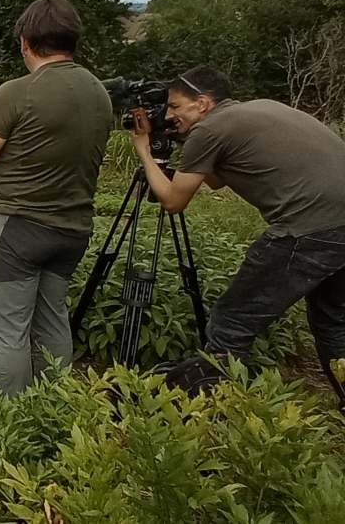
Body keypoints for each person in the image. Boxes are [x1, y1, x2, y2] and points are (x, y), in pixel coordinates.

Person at [128, 65, 345, 380]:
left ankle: (214, 403)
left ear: (202, 103)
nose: (169, 114)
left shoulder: (210, 130)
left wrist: (144, 152)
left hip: (307, 227)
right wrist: (178, 137)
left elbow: (173, 202)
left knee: (231, 322)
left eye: (175, 106)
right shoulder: (260, 108)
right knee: (334, 320)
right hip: (337, 223)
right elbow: (216, 180)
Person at [0, 0, 114, 397]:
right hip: (73, 228)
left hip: (20, 227)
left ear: (26, 42)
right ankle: (56, 411)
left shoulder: (20, 90)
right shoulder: (99, 92)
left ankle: (12, 423)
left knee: (8, 328)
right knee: (52, 321)